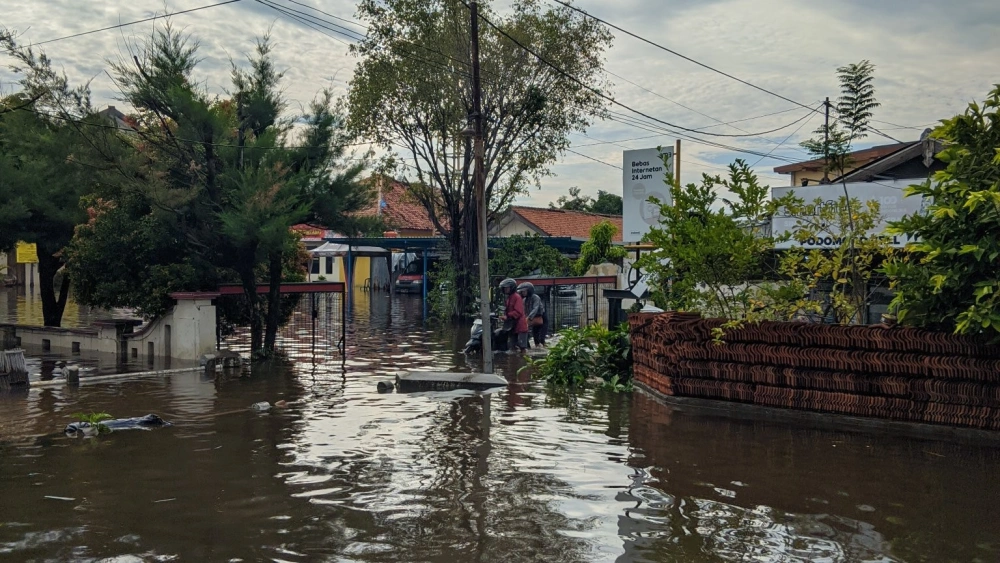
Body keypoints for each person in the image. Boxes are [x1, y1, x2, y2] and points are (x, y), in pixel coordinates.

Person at [499, 278, 528, 353]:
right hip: (512, 326)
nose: (505, 290)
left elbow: (518, 312)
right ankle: (514, 362)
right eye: (504, 288)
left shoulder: (517, 297)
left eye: (507, 288)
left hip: (520, 325)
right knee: (512, 346)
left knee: (522, 347)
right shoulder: (509, 298)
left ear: (511, 288)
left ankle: (523, 361)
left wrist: (507, 316)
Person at [517, 282, 546, 347]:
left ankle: (544, 347)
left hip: (541, 317)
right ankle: (537, 348)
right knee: (535, 337)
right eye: (522, 292)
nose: (523, 293)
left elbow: (535, 308)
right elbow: (524, 310)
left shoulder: (536, 297)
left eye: (524, 291)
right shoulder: (525, 300)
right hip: (533, 318)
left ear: (529, 290)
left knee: (542, 337)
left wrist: (529, 317)